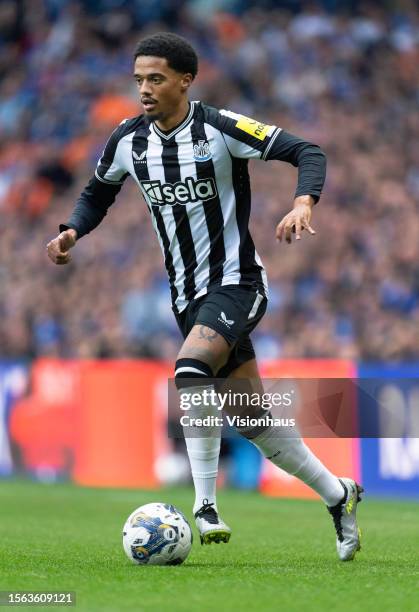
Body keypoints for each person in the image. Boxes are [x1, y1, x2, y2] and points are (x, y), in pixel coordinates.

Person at [47, 32, 363, 561]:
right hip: (186, 297)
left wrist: (303, 202)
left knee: (191, 370)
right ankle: (340, 495)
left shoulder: (219, 128)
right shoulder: (128, 140)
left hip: (238, 282)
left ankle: (204, 505)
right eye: (139, 80)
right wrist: (73, 230)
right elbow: (97, 192)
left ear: (185, 80)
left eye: (156, 78)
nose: (144, 89)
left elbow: (306, 150)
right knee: (253, 420)